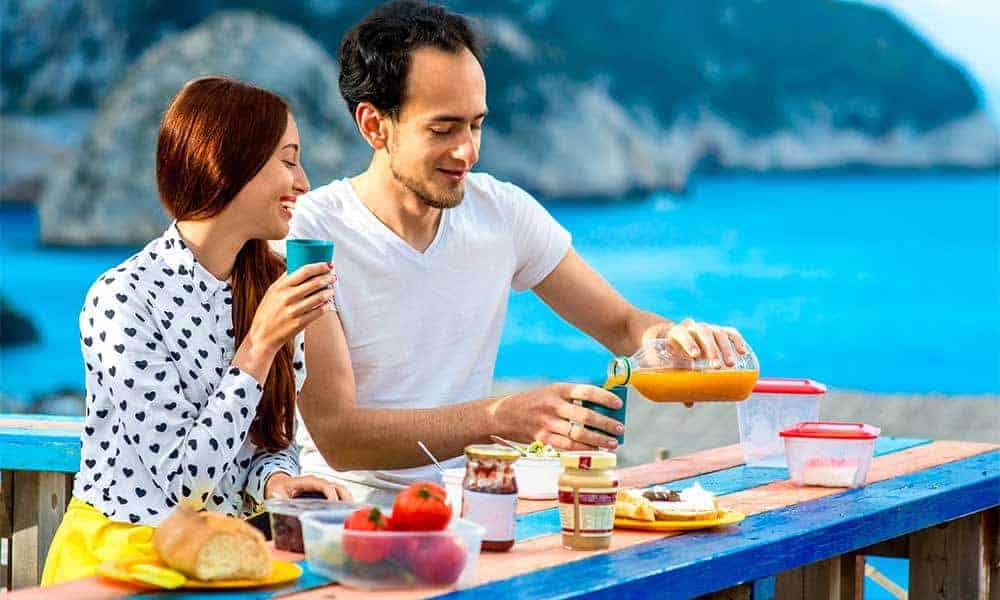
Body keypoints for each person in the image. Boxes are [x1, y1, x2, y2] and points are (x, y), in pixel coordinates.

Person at [283, 1, 749, 497]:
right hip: (343, 516)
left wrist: (673, 342)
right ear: (375, 125)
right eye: (442, 129)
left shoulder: (502, 212)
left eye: (476, 124)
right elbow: (339, 436)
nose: (468, 151)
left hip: (471, 506)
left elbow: (620, 325)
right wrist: (503, 416)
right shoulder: (311, 233)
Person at [41, 76, 351, 585]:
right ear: (231, 165)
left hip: (223, 557)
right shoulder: (122, 298)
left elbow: (270, 437)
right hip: (122, 563)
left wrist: (276, 482)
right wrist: (260, 343)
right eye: (289, 159)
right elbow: (185, 484)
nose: (304, 183)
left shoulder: (270, 282)